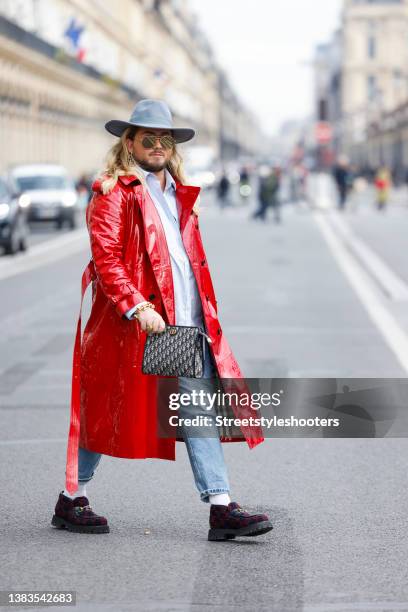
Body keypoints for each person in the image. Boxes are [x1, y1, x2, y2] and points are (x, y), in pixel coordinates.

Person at [51, 99, 273, 541]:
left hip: (182, 323)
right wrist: (137, 306)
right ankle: (71, 496)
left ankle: (221, 506)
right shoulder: (113, 191)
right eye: (147, 138)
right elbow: (107, 259)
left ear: (172, 148)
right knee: (107, 407)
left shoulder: (179, 192)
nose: (156, 146)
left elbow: (185, 262)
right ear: (128, 142)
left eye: (164, 140)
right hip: (137, 323)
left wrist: (204, 309)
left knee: (196, 409)